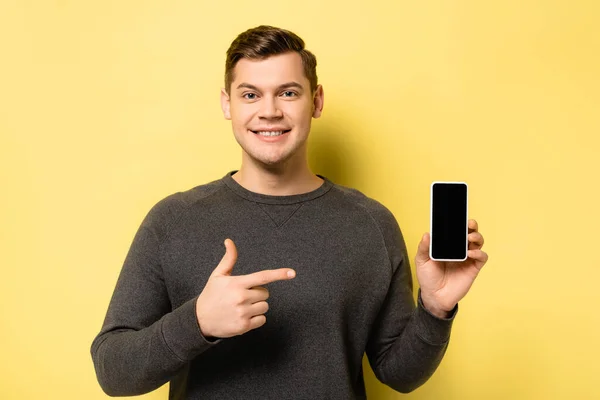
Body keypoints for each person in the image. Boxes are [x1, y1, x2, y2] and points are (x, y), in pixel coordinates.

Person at [90, 25, 488, 399]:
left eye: (288, 93)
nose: (269, 111)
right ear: (227, 104)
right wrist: (197, 322)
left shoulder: (371, 224)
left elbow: (398, 374)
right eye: (250, 94)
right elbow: (113, 370)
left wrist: (435, 309)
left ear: (315, 101)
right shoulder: (172, 221)